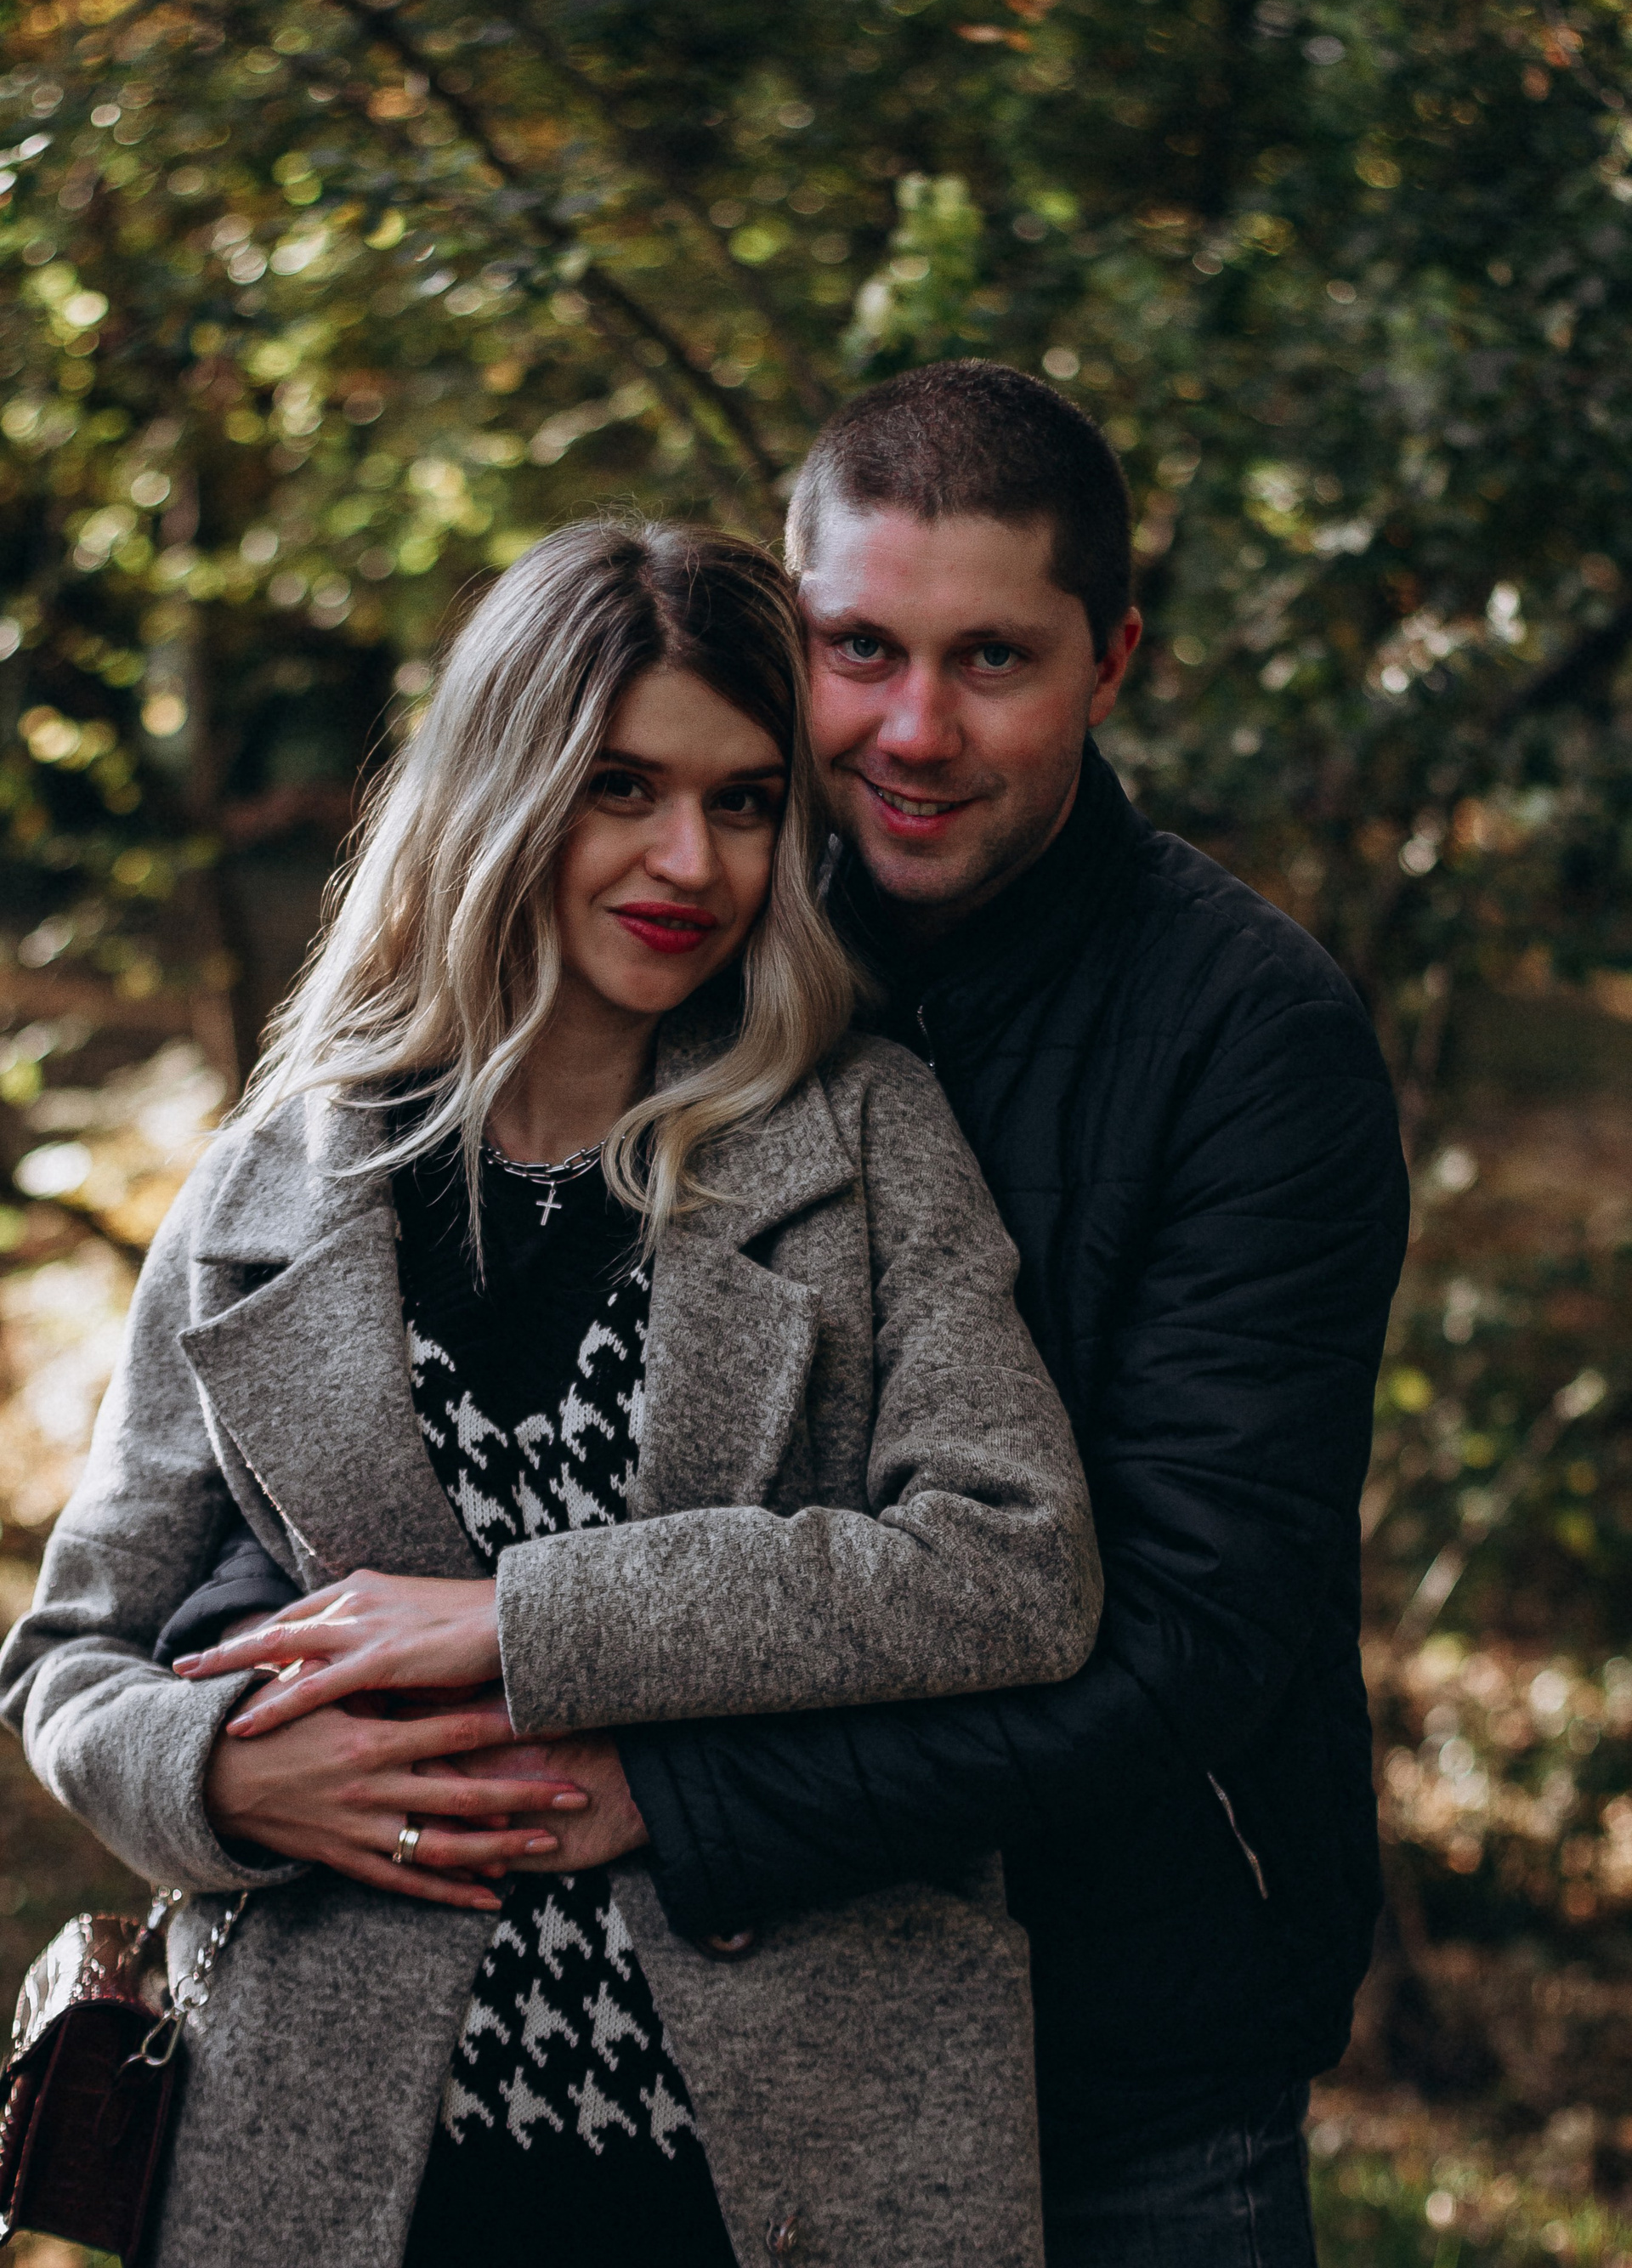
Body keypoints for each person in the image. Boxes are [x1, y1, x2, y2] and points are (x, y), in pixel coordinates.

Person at [0, 520, 1102, 2268]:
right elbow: (70, 1659)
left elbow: (1012, 1562)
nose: (690, 860)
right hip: (332, 2165)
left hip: (785, 2158)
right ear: (502, 789)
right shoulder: (267, 1186)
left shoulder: (864, 1140)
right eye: (622, 789)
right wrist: (218, 1782)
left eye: (745, 803)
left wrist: (524, 1617)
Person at [501, 365, 1410, 2265]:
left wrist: (674, 1795)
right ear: (791, 631)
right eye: (861, 650)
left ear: (1113, 660)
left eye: (993, 658)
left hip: (1127, 2057)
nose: (915, 731)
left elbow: (1191, 1635)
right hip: (734, 2043)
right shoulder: (679, 949)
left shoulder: (1253, 1040)